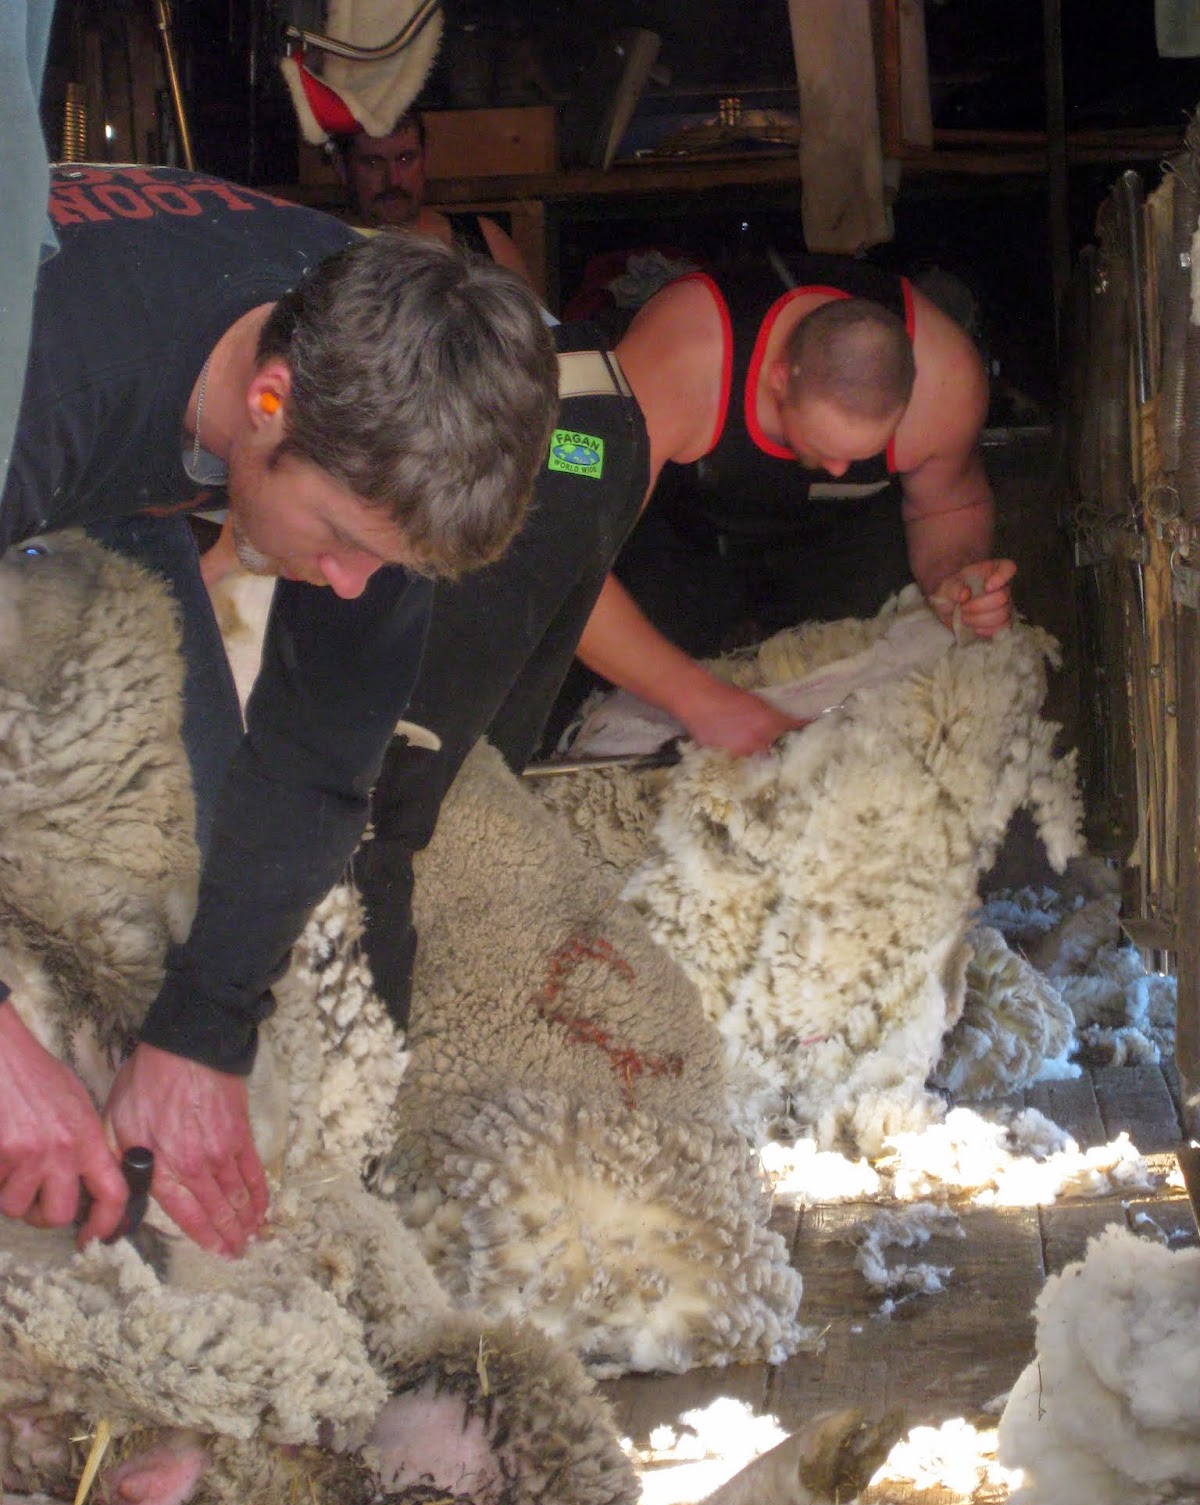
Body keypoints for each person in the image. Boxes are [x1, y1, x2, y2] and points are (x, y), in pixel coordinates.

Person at [0, 162, 560, 1257]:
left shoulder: (379, 416)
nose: (352, 583)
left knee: (184, 888)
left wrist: (201, 1036)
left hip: (118, 463)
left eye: (386, 562)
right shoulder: (46, 377)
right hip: (46, 398)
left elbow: (316, 754)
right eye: (343, 541)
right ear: (270, 398)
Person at [572, 255, 1017, 756]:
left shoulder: (947, 381)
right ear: (778, 379)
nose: (837, 470)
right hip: (686, 532)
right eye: (828, 448)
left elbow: (948, 510)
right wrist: (699, 700)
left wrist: (955, 578)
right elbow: (565, 563)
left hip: (838, 535)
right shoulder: (677, 362)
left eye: (861, 453)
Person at [332, 110, 533, 287]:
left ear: (424, 159)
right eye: (373, 162)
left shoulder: (484, 240)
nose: (393, 179)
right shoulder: (324, 250)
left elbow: (534, 327)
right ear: (342, 167)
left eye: (405, 159)